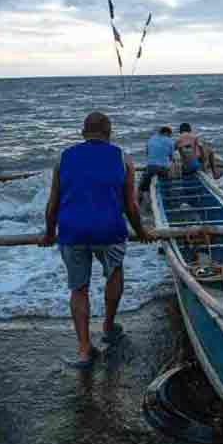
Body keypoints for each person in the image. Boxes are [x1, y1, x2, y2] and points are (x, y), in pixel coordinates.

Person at [43, 112, 155, 368]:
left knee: (78, 289)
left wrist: (49, 233)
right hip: (109, 230)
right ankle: (107, 326)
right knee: (114, 273)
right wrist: (141, 231)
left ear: (83, 132)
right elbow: (131, 206)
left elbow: (53, 205)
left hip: (72, 231)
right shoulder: (123, 158)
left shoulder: (63, 158)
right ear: (109, 132)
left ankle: (84, 349)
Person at [137, 125, 174, 204]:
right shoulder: (170, 141)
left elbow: (147, 154)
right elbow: (171, 158)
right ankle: (168, 199)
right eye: (170, 135)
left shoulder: (151, 139)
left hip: (151, 168)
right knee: (167, 183)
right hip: (163, 168)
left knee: (143, 186)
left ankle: (139, 202)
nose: (170, 136)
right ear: (167, 133)